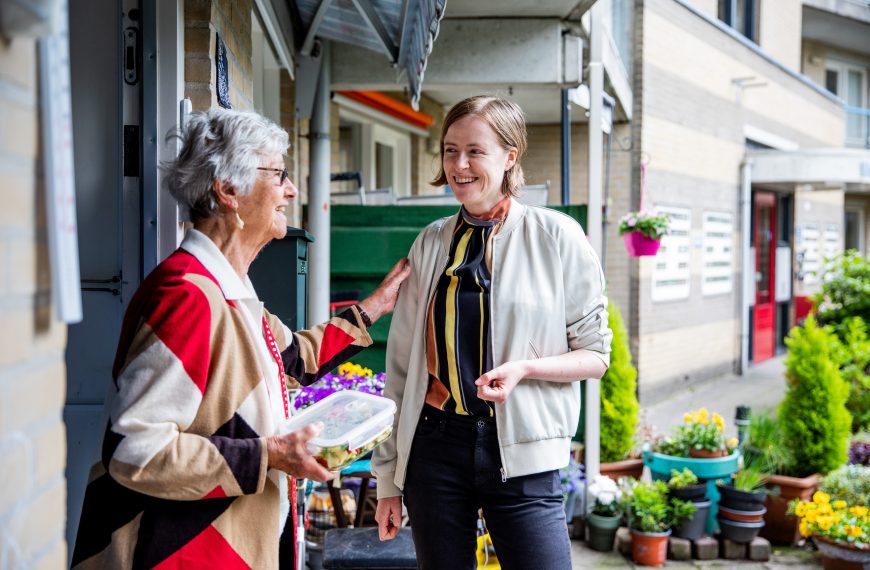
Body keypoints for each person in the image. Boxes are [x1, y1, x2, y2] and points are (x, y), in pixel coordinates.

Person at [71, 108, 410, 569]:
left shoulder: (229, 285)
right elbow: (134, 450)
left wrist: (375, 306)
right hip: (182, 552)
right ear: (229, 191)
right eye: (279, 174)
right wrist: (268, 455)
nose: (291, 190)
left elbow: (289, 358)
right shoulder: (187, 296)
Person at [372, 95, 613, 569]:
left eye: (475, 151)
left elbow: (595, 355)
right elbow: (400, 368)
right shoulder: (430, 242)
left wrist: (526, 368)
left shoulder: (557, 237)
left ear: (510, 156)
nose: (459, 164)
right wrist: (387, 481)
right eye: (449, 150)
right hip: (435, 449)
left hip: (524, 453)